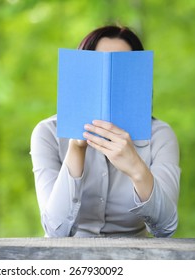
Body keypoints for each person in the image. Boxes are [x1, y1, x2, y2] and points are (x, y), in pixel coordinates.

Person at [30, 25, 181, 238]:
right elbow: (56, 230)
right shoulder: (47, 132)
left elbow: (165, 228)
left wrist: (136, 168)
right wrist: (76, 149)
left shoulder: (160, 135)